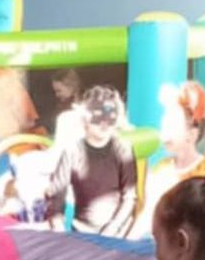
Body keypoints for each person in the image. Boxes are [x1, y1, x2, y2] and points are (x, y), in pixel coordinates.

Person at [44, 86, 137, 236]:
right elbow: (57, 197)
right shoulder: (72, 151)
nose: (104, 123)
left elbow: (129, 197)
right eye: (97, 116)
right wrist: (58, 228)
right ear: (84, 120)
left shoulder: (122, 149)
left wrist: (112, 229)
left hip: (118, 233)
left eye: (110, 117)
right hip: (81, 232)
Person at [132, 82, 205, 236]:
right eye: (164, 125)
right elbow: (146, 216)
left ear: (192, 134)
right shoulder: (160, 169)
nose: (165, 133)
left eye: (172, 126)